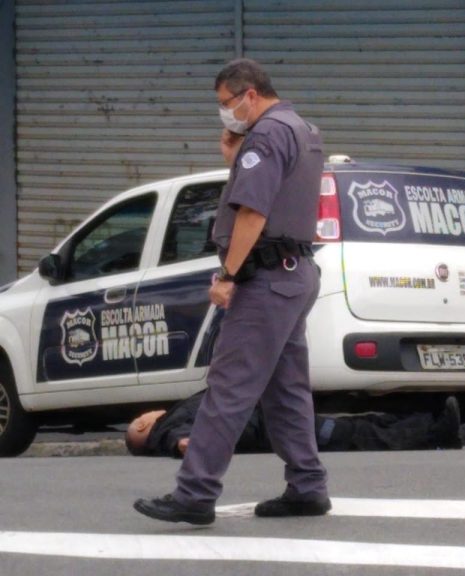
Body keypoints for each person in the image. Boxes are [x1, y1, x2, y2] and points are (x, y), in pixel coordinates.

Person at [134, 58, 329, 525]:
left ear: (250, 95)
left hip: (265, 279)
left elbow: (252, 214)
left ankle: (195, 492)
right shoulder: (303, 129)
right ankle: (306, 486)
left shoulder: (264, 135)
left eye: (226, 103)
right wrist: (234, 160)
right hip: (295, 274)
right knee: (286, 390)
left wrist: (228, 276)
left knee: (229, 387)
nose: (224, 113)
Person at [125, 393, 465, 458]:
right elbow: (180, 438)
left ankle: (434, 424)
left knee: (357, 426)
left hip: (273, 419)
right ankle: (436, 433)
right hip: (275, 427)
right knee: (355, 433)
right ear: (142, 427)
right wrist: (182, 444)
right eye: (142, 417)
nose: (150, 412)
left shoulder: (173, 420)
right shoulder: (167, 427)